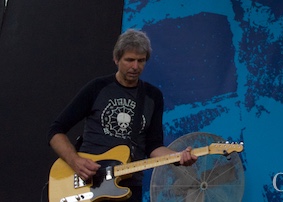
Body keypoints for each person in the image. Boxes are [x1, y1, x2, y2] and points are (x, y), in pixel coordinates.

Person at [48, 29, 197, 202]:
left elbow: (153, 146)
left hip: (129, 185)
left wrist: (178, 157)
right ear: (116, 59)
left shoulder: (152, 96)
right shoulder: (97, 88)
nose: (135, 66)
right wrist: (75, 161)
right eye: (129, 60)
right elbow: (55, 131)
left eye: (141, 61)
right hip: (88, 180)